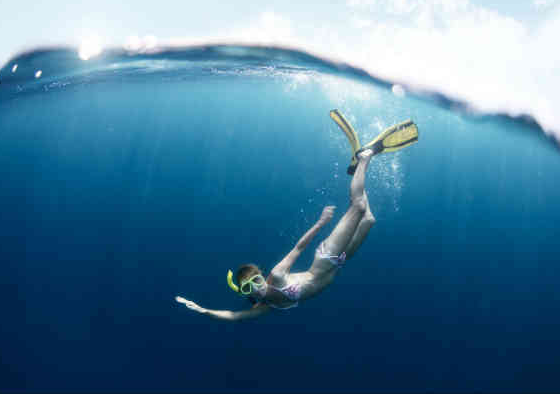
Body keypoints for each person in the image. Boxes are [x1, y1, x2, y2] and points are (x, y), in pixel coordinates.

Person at [175, 110, 418, 321]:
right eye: (250, 288)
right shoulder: (267, 306)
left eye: (257, 281)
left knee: (358, 207)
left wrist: (322, 222)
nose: (257, 289)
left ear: (262, 277)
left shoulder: (278, 275)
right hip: (339, 263)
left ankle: (364, 159)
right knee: (368, 219)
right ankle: (358, 167)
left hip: (326, 258)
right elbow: (236, 316)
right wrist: (204, 310)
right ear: (245, 293)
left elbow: (299, 247)